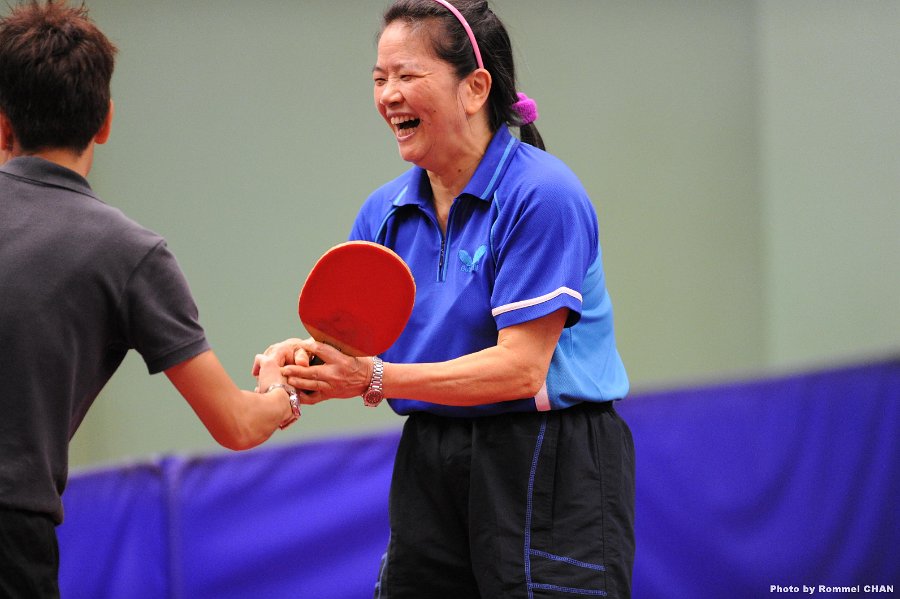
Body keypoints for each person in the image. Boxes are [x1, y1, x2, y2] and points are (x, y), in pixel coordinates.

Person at [262, 0, 635, 597]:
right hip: (430, 455)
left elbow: (520, 368)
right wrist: (297, 363)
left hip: (548, 456)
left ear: (475, 88)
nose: (389, 95)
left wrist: (374, 378)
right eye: (379, 79)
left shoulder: (543, 195)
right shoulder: (382, 213)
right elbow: (352, 353)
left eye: (407, 75)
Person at [0, 2, 298, 596]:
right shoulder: (130, 253)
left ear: (2, 123)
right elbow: (238, 425)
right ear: (106, 121)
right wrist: (282, 390)